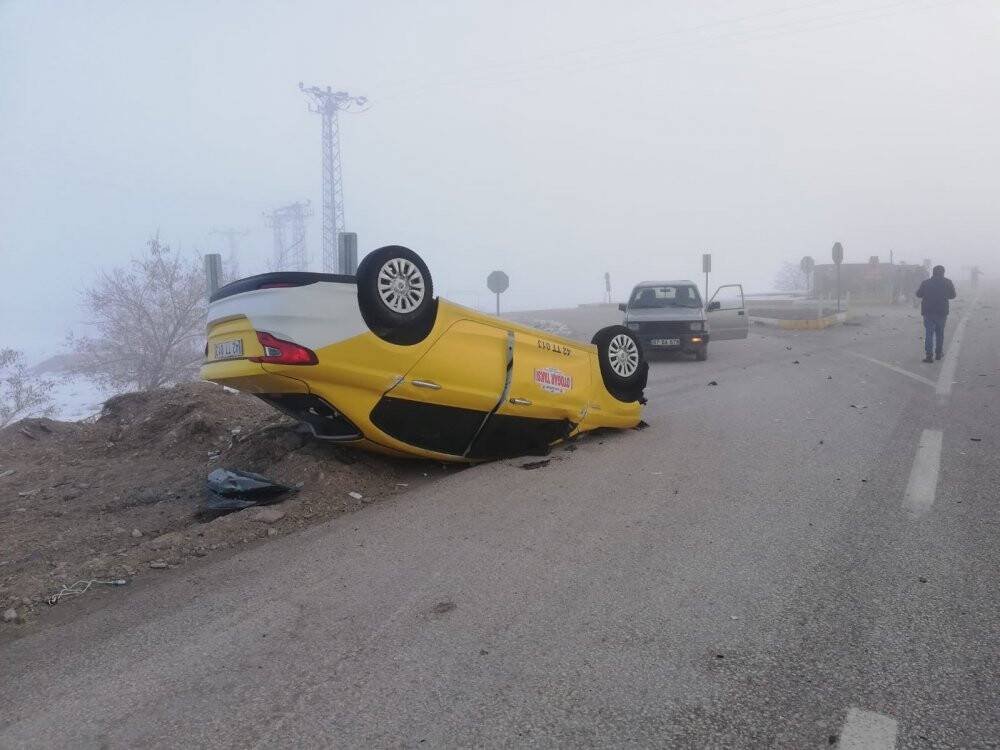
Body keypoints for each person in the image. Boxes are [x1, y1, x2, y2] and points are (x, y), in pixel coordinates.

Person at [915, 265, 957, 363]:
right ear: (943, 272)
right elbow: (953, 295)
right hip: (942, 311)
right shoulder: (948, 282)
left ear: (933, 272)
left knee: (929, 333)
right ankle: (938, 353)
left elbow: (918, 294)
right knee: (940, 333)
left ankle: (929, 355)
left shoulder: (925, 283)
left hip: (928, 311)